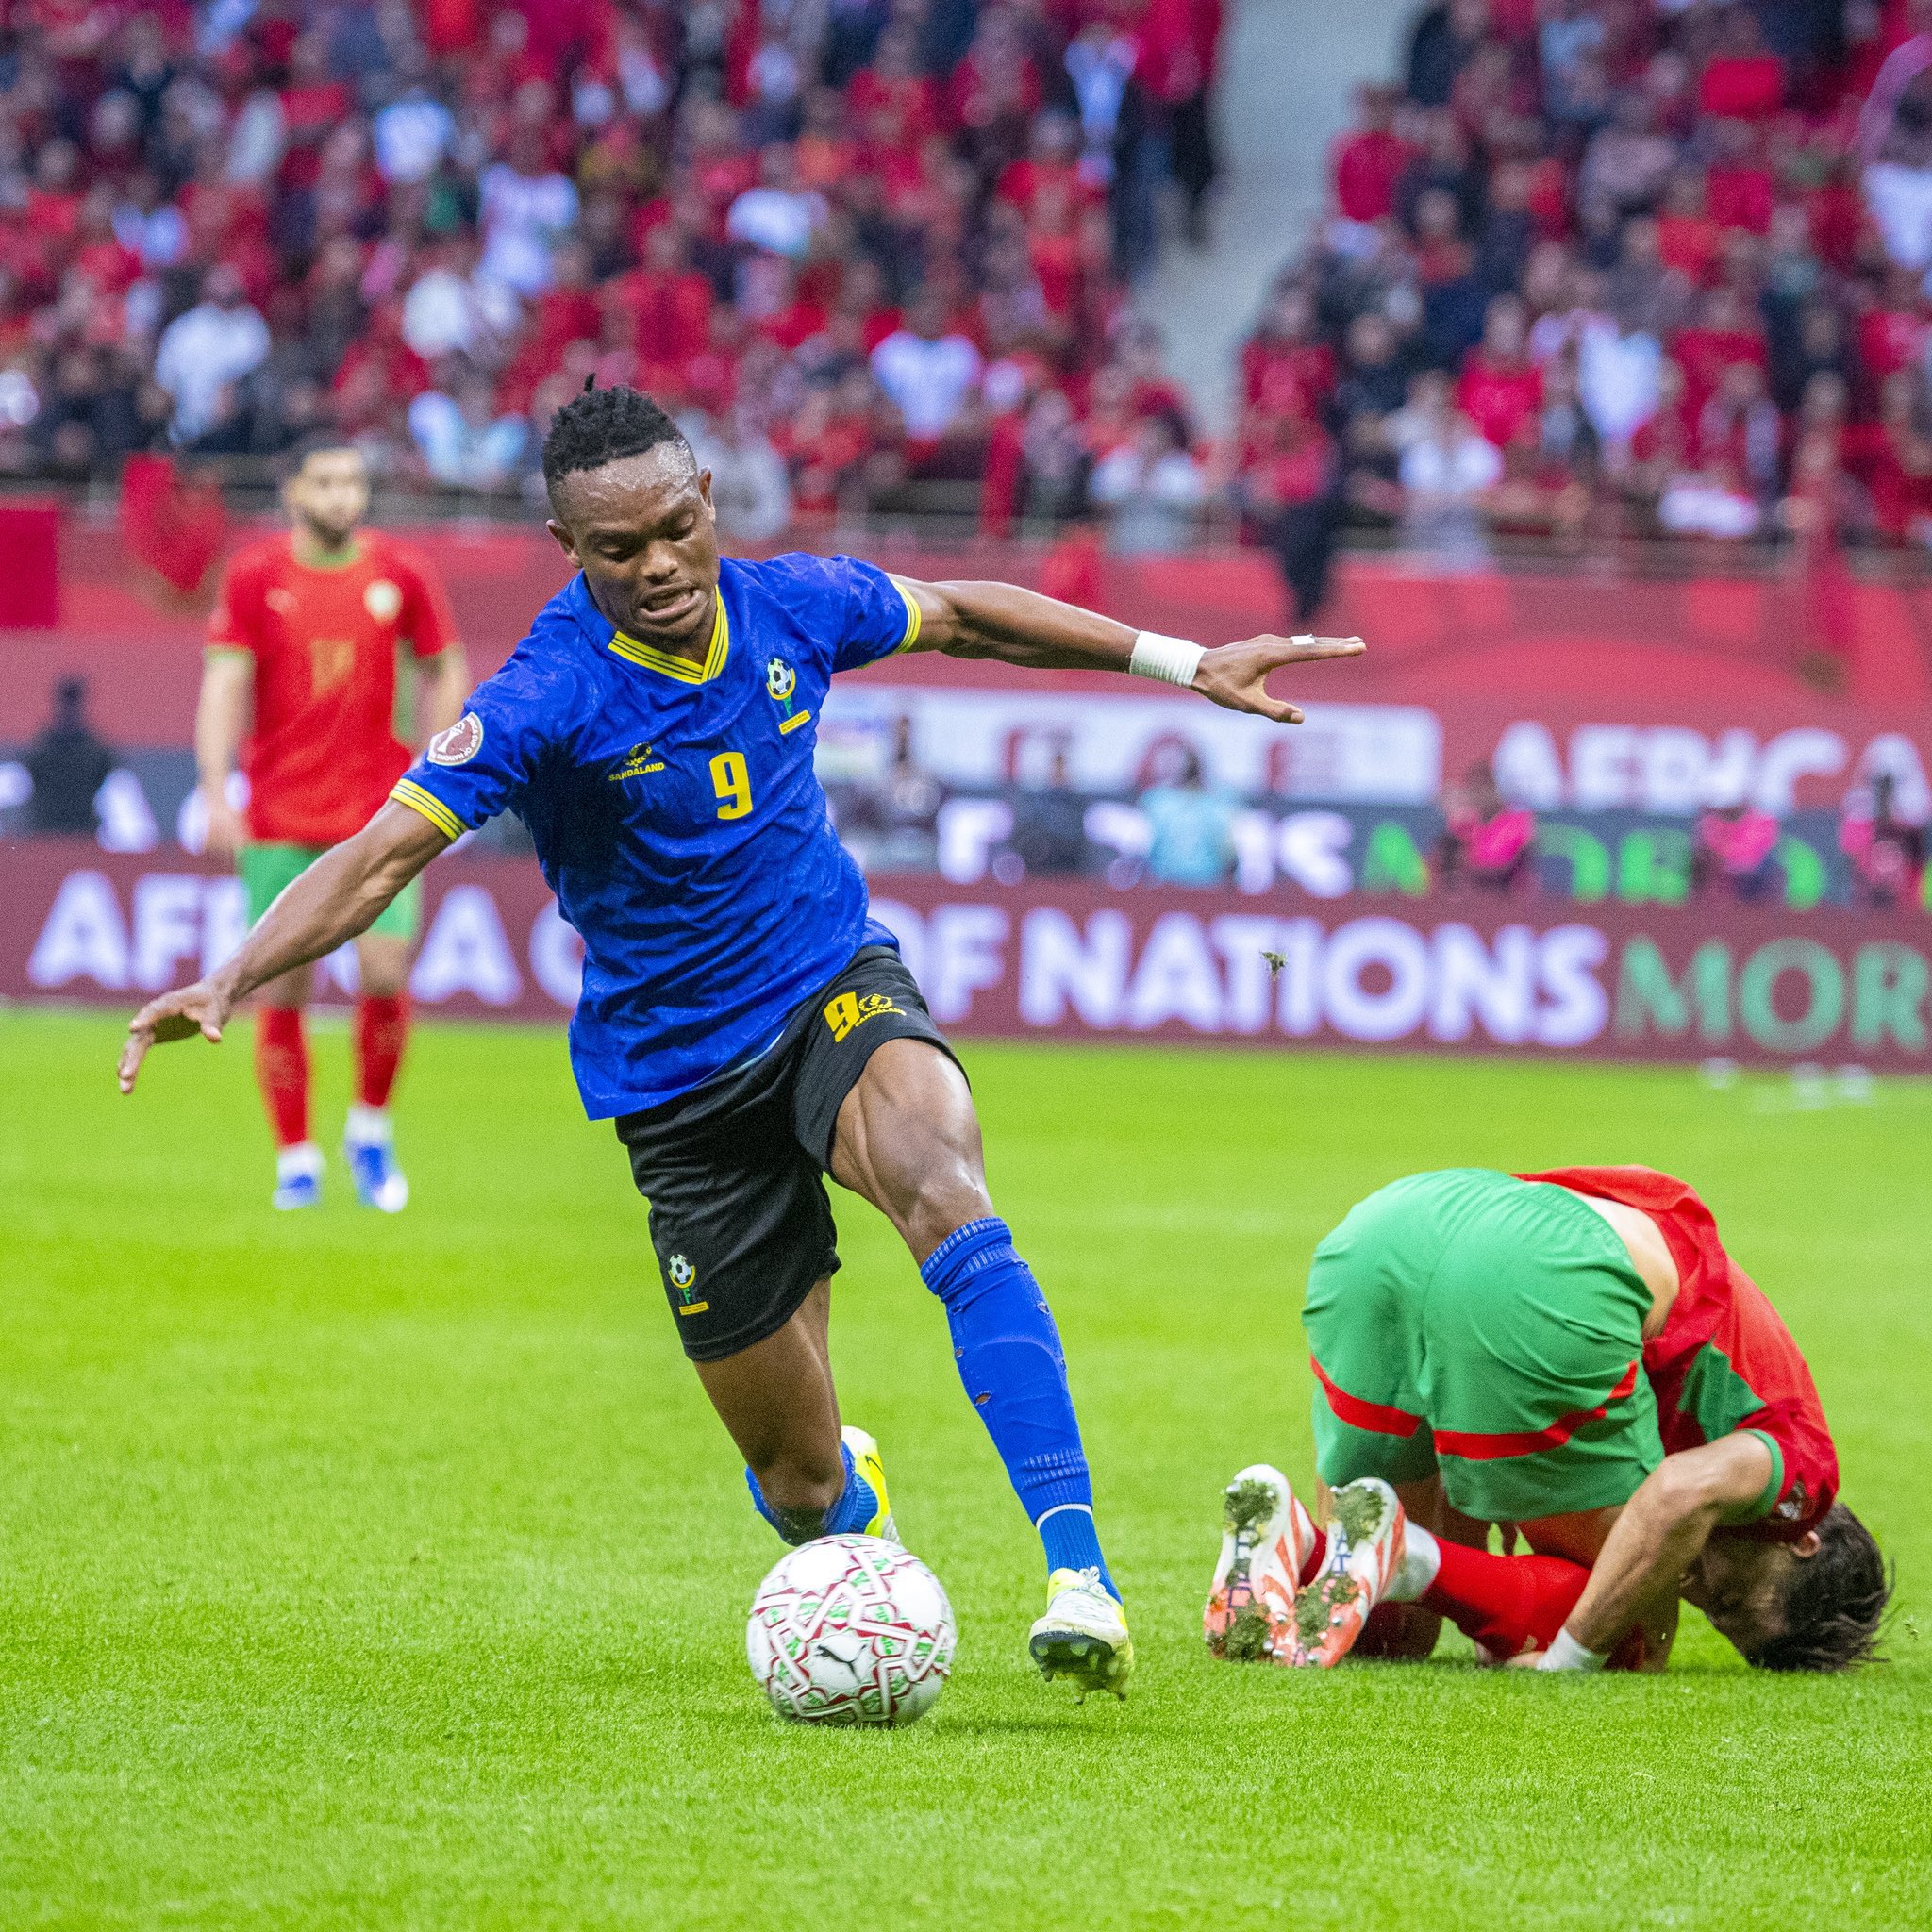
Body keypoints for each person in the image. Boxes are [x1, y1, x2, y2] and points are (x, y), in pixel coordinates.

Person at [120, 383, 1364, 1700]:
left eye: (676, 527)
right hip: (675, 1082)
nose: (659, 565)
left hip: (830, 986)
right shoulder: (545, 694)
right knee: (800, 1483)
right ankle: (864, 1537)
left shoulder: (791, 604)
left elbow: (964, 614)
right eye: (618, 549)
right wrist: (234, 972)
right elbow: (381, 857)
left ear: (708, 498)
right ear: (567, 549)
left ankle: (1081, 1580)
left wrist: (1183, 663)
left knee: (948, 1193)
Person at [1205, 1167, 1890, 1676]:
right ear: (1802, 1539)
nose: (1702, 1592)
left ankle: (1298, 1538)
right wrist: (1572, 1658)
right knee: (1630, 1631)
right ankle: (1405, 1552)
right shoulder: (1804, 1472)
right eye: (1731, 1598)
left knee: (1394, 1639)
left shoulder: (1736, 1358)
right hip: (1539, 1274)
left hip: (1390, 1231)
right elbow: (1677, 1494)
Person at [192, 440, 469, 1212]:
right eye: (326, 481)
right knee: (282, 988)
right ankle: (296, 1159)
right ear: (292, 492)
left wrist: (438, 767)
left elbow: (447, 666)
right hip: (280, 818)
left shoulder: (402, 571)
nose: (344, 495)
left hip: (381, 816)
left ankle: (370, 1132)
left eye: (353, 480)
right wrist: (215, 791)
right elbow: (223, 683)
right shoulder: (255, 575)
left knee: (384, 972)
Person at [22, 676, 116, 836]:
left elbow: (104, 777)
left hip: (82, 830)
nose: (69, 710)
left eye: (73, 703)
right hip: (46, 830)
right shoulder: (41, 749)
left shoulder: (97, 751)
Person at [1138, 746, 1237, 886]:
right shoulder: (1155, 800)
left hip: (1208, 885)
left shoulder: (1218, 802)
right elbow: (1142, 846)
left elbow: (1228, 852)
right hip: (1165, 884)